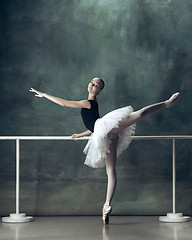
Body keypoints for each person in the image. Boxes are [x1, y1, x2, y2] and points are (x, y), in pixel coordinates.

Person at [30, 78, 180, 224]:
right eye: (92, 82)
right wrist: (80, 134)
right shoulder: (92, 104)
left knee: (139, 115)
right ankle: (106, 205)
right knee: (110, 171)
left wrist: (45, 94)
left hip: (105, 130)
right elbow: (94, 126)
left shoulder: (87, 103)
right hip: (105, 133)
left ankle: (167, 103)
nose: (92, 85)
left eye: (96, 85)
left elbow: (64, 103)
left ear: (99, 90)